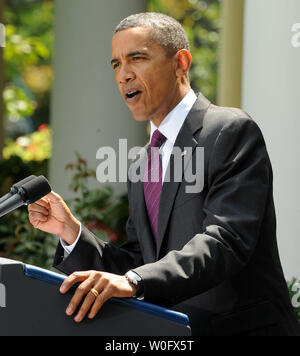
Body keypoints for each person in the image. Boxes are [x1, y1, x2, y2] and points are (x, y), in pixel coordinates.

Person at [28, 12, 300, 336]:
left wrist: (135, 280)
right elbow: (140, 262)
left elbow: (225, 241)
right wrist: (71, 232)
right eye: (115, 64)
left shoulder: (229, 131)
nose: (124, 74)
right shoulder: (141, 162)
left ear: (180, 62)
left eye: (137, 58)